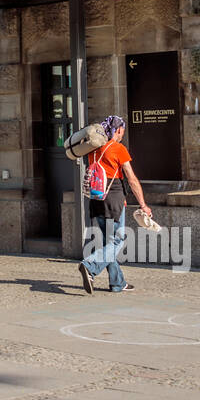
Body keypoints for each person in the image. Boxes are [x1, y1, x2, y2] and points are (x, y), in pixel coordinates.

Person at [76, 114, 151, 294]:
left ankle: (118, 283)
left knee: (108, 243)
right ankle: (90, 266)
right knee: (116, 241)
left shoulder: (94, 149)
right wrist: (143, 205)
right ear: (118, 129)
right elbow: (131, 179)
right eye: (122, 130)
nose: (123, 133)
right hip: (113, 200)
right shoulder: (118, 148)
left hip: (96, 199)